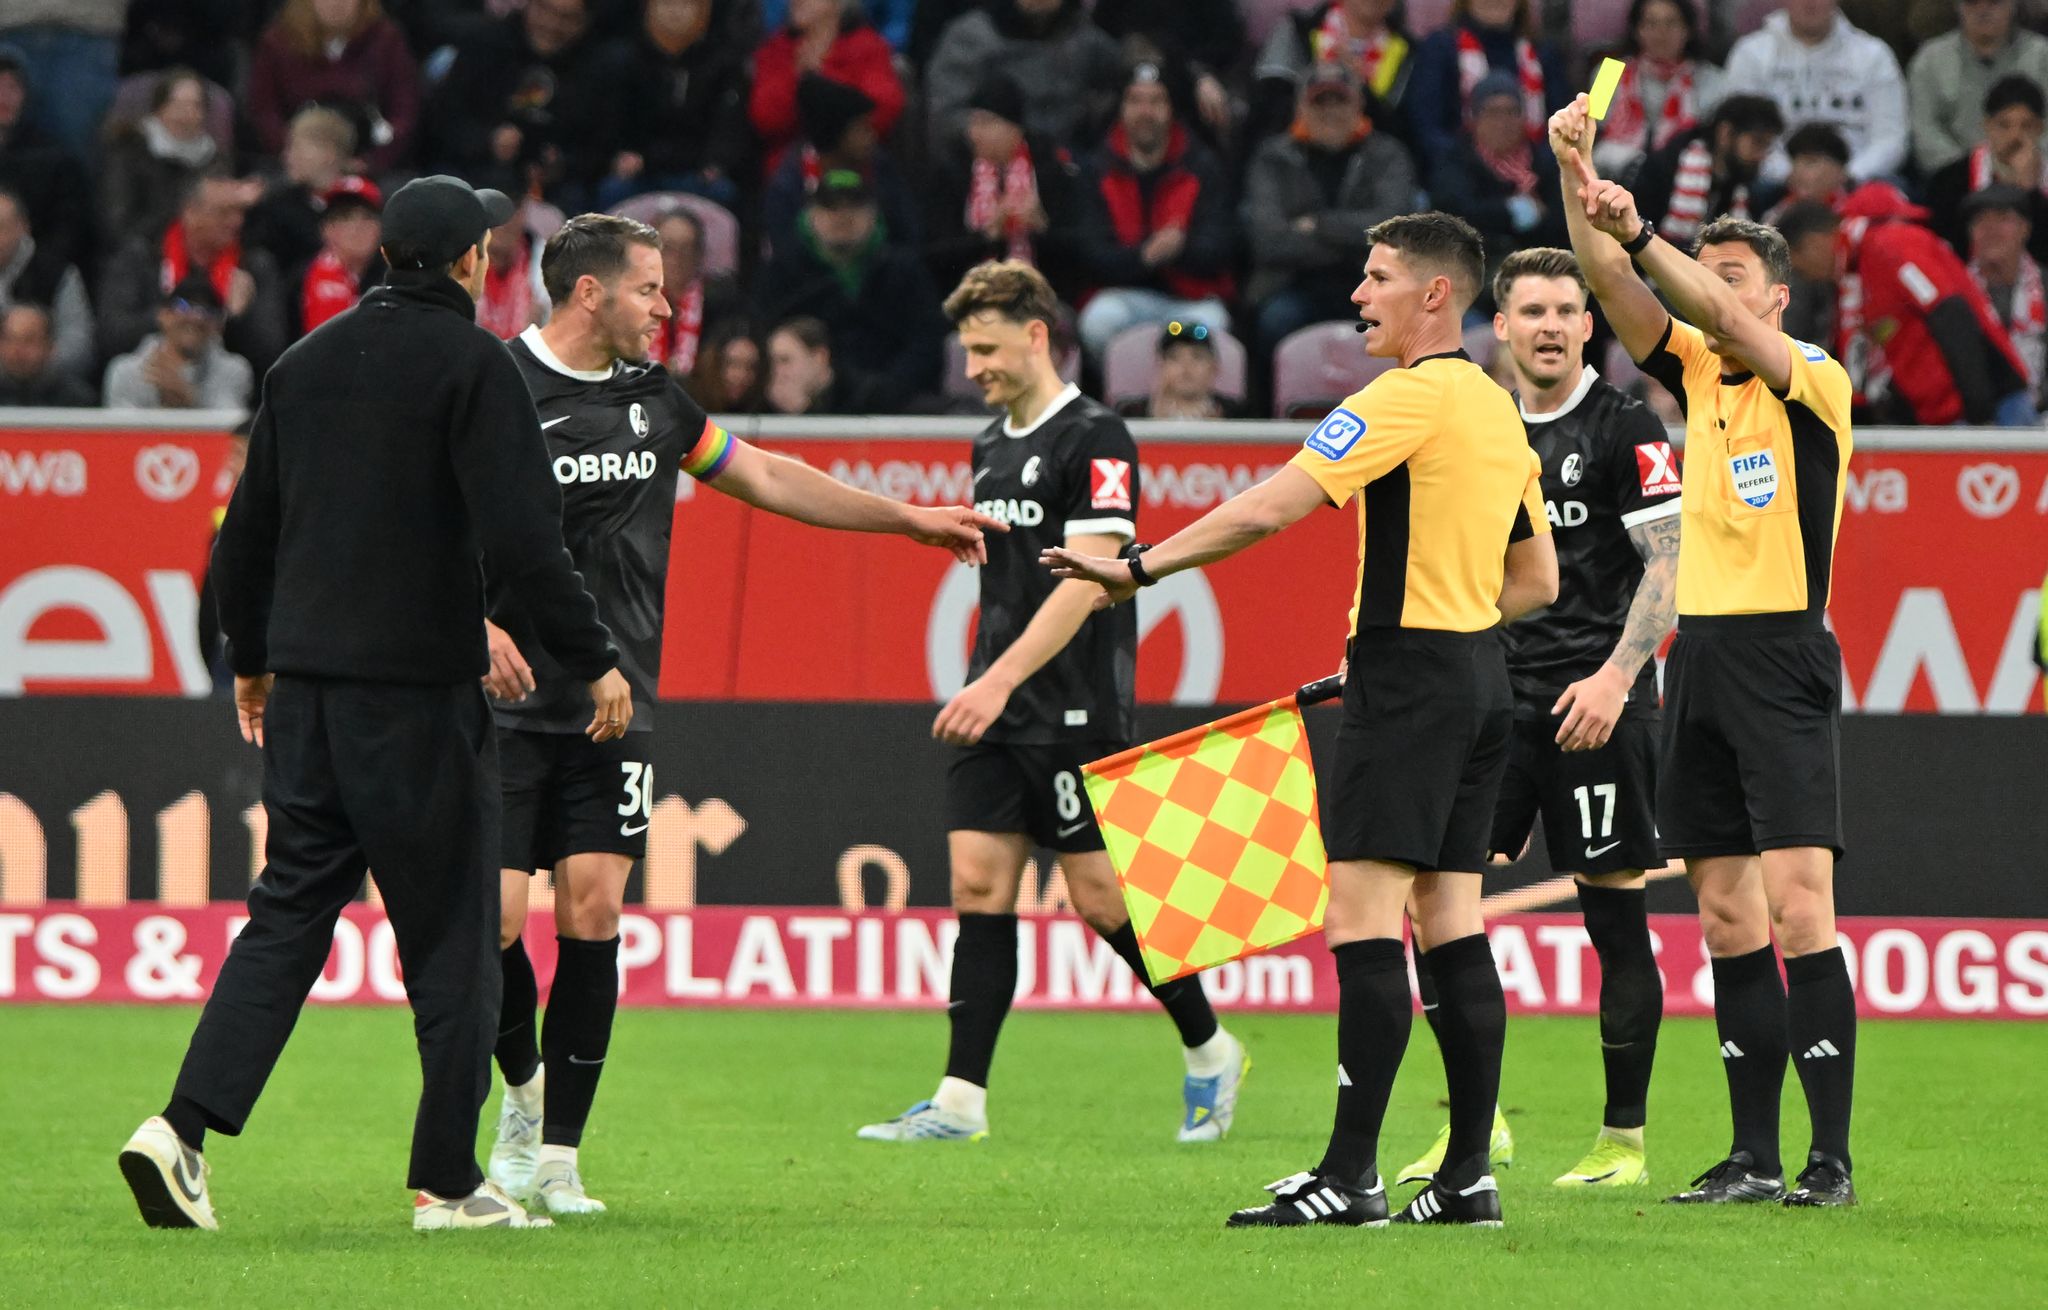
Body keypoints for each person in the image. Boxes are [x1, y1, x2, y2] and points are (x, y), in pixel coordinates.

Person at [119, 174, 633, 1233]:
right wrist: (594, 660)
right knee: (452, 937)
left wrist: (251, 660)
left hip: (305, 696)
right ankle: (448, 1180)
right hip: (417, 700)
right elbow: (528, 542)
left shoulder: (301, 365)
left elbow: (244, 535)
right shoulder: (473, 365)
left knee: (287, 914)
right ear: (466, 263)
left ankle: (180, 1129)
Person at [478, 214, 999, 1213]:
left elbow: (762, 473)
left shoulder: (653, 402)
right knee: (494, 922)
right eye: (648, 289)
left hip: (613, 699)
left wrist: (906, 520)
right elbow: (429, 521)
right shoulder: (496, 387)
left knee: (592, 909)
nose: (666, 309)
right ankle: (521, 1091)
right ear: (588, 293)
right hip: (504, 699)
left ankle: (560, 1159)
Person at [1046, 214, 1557, 1228]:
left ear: (1433, 296)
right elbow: (1535, 578)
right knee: (1448, 923)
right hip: (1478, 678)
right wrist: (1440, 627)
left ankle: (1350, 1175)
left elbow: (1268, 506)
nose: (1358, 297)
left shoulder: (1404, 394)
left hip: (1410, 681)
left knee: (1362, 920)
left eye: (1375, 279)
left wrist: (1133, 569)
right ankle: (1464, 1175)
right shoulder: (1498, 409)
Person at [858, 258, 1252, 1149]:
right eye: (967, 351)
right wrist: (988, 678)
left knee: (1102, 901)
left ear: (1037, 335)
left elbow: (1088, 584)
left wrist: (997, 680)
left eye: (988, 348)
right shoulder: (989, 442)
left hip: (1075, 706)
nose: (976, 369)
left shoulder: (1098, 436)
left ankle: (1210, 1046)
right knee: (977, 885)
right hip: (996, 700)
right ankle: (960, 1101)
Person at [1552, 91, 1859, 1208]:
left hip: (1781, 651)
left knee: (1797, 908)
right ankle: (1750, 1153)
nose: (1714, 291)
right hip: (1701, 661)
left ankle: (1826, 1160)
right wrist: (1575, 176)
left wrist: (1642, 230)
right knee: (1725, 912)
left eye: (1733, 276)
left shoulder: (1809, 378)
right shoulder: (1692, 375)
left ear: (1775, 296)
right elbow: (1608, 286)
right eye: (1708, 271)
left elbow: (1691, 301)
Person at [1391, 247, 1680, 1193]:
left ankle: (1622, 1141)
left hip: (1599, 703)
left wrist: (1615, 676)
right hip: (1492, 702)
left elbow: (1672, 568)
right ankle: (1478, 1130)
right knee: (1435, 905)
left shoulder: (1626, 424)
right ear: (1500, 327)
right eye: (1534, 312)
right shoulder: (1479, 425)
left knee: (1614, 917)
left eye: (1568, 309)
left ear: (1588, 326)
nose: (1552, 326)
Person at [1780, 185, 2034, 427]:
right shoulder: (1858, 271)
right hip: (1945, 416)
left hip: (1993, 406)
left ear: (1812, 244)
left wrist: (1980, 413)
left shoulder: (1891, 245)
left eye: (1799, 267)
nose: (1809, 277)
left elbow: (1950, 312)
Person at [1241, 62, 1418, 354]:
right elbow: (1268, 241)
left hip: (1371, 283)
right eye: (1319, 101)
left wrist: (1318, 225)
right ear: (1300, 107)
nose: (1330, 111)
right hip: (1292, 284)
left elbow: (1395, 231)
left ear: (1359, 104)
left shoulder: (1388, 154)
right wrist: (1355, 240)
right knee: (1274, 320)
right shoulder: (1272, 158)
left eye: (1340, 101)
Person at [1074, 60, 1235, 358]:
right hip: (1125, 297)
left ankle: (1185, 402)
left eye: (1156, 101)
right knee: (1098, 321)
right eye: (1135, 101)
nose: (1145, 112)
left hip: (1190, 300)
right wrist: (1145, 256)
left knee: (1212, 325)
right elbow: (1091, 254)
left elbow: (1220, 247)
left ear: (1171, 108)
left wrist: (1179, 249)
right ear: (1121, 108)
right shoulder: (1098, 168)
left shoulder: (1202, 165)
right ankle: (1124, 400)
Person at [752, 168, 944, 406]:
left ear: (873, 214)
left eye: (854, 206)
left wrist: (890, 389)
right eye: (831, 207)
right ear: (811, 214)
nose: (842, 217)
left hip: (898, 405)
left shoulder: (906, 270)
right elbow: (765, 335)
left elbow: (927, 341)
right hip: (805, 402)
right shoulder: (782, 272)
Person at [99, 172, 291, 378]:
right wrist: (169, 318)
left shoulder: (255, 266)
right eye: (223, 213)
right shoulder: (143, 257)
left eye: (239, 212)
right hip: (148, 377)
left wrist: (235, 321)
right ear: (190, 212)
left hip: (225, 389)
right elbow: (111, 335)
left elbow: (271, 355)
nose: (237, 222)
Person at [922, 73, 1085, 301]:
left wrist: (1041, 227)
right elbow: (935, 256)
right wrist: (988, 235)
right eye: (973, 122)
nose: (974, 133)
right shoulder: (953, 171)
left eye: (986, 123)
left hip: (1041, 298)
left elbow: (1080, 252)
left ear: (1015, 129)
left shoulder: (1050, 169)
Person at [422, 0, 608, 196]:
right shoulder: (485, 41)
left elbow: (598, 146)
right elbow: (443, 120)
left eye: (567, 18)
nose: (551, 24)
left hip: (555, 189)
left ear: (584, 22)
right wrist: (488, 141)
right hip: (470, 169)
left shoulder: (597, 66)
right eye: (545, 10)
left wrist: (561, 163)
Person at [587, 0, 753, 209]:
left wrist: (715, 161)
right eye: (666, 3)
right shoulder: (623, 59)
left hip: (696, 170)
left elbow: (727, 128)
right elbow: (611, 127)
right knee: (612, 189)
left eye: (686, 5)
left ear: (705, 12)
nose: (675, 12)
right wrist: (623, 155)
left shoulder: (725, 63)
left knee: (723, 191)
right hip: (640, 171)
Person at [1722, 0, 1906, 185]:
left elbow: (1891, 138)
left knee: (1893, 188)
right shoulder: (1751, 54)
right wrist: (1790, 174)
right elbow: (1744, 135)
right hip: (1775, 181)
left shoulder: (1874, 55)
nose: (1810, 3)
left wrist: (1848, 175)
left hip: (1856, 179)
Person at [1427, 71, 1567, 302]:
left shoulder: (1544, 162)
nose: (1503, 122)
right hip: (1478, 274)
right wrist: (1510, 211)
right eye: (1492, 112)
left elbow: (1561, 221)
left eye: (1512, 112)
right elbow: (1454, 215)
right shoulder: (1457, 161)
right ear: (1475, 118)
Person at [247, 0, 420, 174]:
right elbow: (264, 110)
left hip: (371, 164)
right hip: (294, 165)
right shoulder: (278, 42)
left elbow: (404, 110)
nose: (337, 3)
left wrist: (371, 161)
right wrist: (299, 155)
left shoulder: (386, 39)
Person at [923, 0, 1123, 149]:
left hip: (1070, 162)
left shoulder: (1084, 37)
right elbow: (944, 112)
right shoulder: (972, 37)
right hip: (991, 165)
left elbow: (1123, 78)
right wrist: (975, 129)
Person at [761, 73, 921, 258]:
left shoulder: (881, 170)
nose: (872, 137)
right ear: (835, 135)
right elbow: (786, 256)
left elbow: (908, 239)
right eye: (862, 129)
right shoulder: (788, 187)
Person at [1404, 0, 1570, 169]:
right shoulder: (1440, 48)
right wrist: (1480, 168)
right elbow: (1426, 129)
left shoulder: (1544, 53)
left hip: (1536, 177)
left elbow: (1563, 129)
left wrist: (1532, 169)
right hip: (1460, 177)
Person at [749, 0, 904, 177]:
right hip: (790, 177)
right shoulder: (776, 50)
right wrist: (800, 78)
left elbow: (881, 113)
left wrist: (820, 77)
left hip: (858, 172)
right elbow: (766, 119)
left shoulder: (867, 47)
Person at [1907, 0, 2048, 176]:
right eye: (1972, 3)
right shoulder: (1929, 61)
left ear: (2013, 5)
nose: (1983, 10)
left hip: (2035, 175)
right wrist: (1973, 169)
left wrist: (2030, 162)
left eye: (1994, 2)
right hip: (1952, 178)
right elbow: (1924, 131)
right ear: (1957, 6)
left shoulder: (2042, 56)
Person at [1590, 0, 1727, 180]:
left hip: (1685, 176)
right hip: (1614, 176)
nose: (1661, 33)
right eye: (1651, 24)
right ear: (1636, 30)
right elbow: (1589, 131)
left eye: (1671, 24)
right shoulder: (1607, 73)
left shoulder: (1713, 80)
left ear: (1688, 30)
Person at [1632, 94, 1783, 249]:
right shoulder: (1664, 168)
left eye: (1767, 146)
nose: (1761, 155)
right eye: (1757, 142)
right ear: (1726, 133)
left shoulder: (1746, 191)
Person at [1252, 0, 1414, 145]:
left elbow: (1400, 133)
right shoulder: (1298, 30)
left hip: (1371, 165)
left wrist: (1361, 87)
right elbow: (1267, 110)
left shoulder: (1409, 53)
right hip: (1296, 158)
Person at [1927, 76, 2048, 266]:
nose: (2015, 136)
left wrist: (2030, 193)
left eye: (2026, 126)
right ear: (1987, 126)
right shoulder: (1950, 181)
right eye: (2004, 125)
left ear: (2040, 129)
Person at [98, 68, 222, 253]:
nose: (186, 115)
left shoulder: (214, 159)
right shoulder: (129, 150)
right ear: (160, 108)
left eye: (195, 106)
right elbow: (117, 220)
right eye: (178, 105)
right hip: (142, 253)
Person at [0, 45, 92, 270]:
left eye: (13, 87)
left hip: (35, 275)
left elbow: (67, 228)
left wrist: (41, 272)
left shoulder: (52, 157)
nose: (4, 97)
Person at [103, 275, 254, 410]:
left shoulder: (234, 370)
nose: (197, 317)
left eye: (208, 311)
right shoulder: (125, 371)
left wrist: (191, 400)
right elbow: (121, 434)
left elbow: (230, 428)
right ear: (163, 315)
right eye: (184, 306)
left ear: (218, 326)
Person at [1964, 185, 2048, 413]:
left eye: (2003, 218)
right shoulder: (1955, 291)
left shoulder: (2045, 285)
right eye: (1981, 221)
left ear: (2025, 229)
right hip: (1973, 421)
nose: (1991, 230)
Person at [244, 107, 357, 274]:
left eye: (295, 146)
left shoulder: (362, 203)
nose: (287, 156)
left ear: (328, 153)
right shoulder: (277, 207)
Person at [0, 185, 91, 380]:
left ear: (23, 227)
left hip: (49, 387)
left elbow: (78, 344)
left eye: (1, 227)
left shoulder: (58, 273)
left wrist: (33, 362)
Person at [650, 208, 741, 376]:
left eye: (686, 248)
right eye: (668, 247)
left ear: (699, 254)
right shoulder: (634, 304)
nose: (676, 257)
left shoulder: (720, 303)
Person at [298, 176, 383, 334]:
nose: (357, 228)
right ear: (326, 229)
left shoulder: (394, 277)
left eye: (367, 218)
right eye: (345, 218)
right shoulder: (302, 278)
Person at [1115, 318, 1244, 419]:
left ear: (1214, 367)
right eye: (1174, 357)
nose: (1186, 366)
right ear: (1161, 366)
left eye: (1197, 357)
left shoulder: (1238, 415)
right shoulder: (1131, 413)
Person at [763, 314, 891, 413]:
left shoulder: (866, 396)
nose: (775, 371)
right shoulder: (764, 402)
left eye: (785, 360)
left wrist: (802, 411)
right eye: (770, 362)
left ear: (820, 357)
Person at [0, 302, 94, 406]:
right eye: (9, 339)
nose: (17, 350)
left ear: (50, 347)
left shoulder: (77, 400)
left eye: (29, 340)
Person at [1759, 124, 1850, 225]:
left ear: (1840, 172)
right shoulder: (1779, 213)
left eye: (1810, 162)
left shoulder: (1852, 218)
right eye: (1794, 162)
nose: (1798, 171)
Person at [685, 317, 764, 411]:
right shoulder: (683, 403)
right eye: (732, 364)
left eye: (751, 367)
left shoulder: (762, 410)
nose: (741, 375)